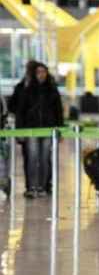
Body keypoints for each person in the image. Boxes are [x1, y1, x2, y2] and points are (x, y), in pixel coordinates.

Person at [16, 63, 63, 199]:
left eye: (44, 72)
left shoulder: (53, 91)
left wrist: (59, 130)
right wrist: (20, 132)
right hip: (32, 130)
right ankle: (31, 187)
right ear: (34, 74)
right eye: (38, 72)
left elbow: (58, 112)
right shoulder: (27, 90)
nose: (41, 74)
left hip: (48, 129)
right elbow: (21, 112)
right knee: (32, 158)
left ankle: (43, 186)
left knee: (45, 158)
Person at [8, 60, 38, 196]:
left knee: (33, 158)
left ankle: (34, 186)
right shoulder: (22, 86)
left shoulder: (26, 86)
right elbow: (13, 105)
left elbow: (13, 106)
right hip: (27, 127)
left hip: (30, 127)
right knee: (34, 157)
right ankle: (35, 186)